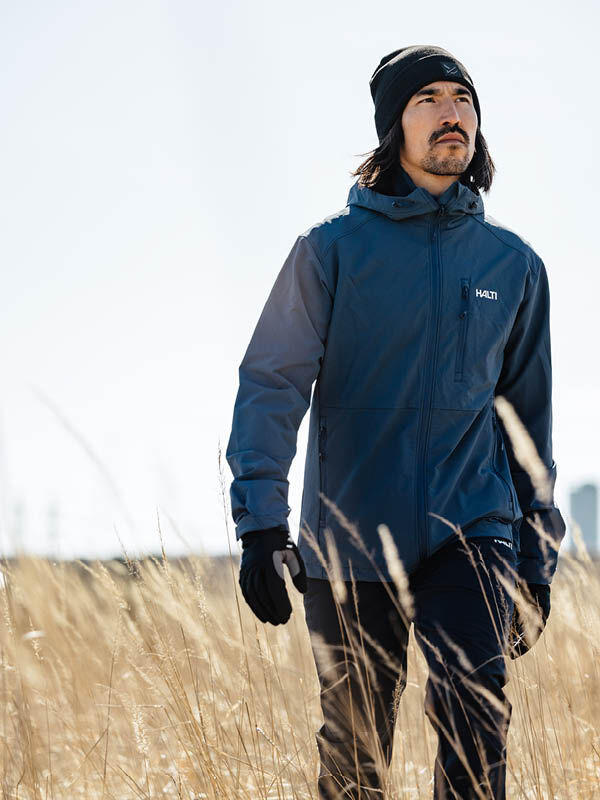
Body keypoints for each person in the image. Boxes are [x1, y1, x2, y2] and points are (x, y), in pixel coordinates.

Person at [226, 44, 566, 799]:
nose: (453, 113)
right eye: (429, 99)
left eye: (464, 99)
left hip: (471, 532)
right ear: (394, 128)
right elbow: (272, 384)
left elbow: (528, 423)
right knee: (355, 754)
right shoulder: (330, 251)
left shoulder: (513, 264)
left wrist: (535, 563)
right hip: (350, 534)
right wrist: (261, 526)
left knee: (477, 731)